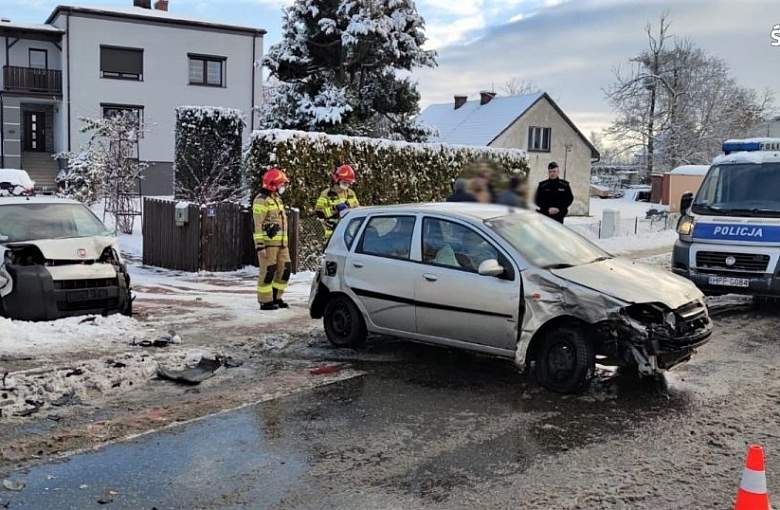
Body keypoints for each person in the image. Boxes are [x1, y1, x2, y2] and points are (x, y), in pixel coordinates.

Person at [253, 168, 291, 311]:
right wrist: (260, 246)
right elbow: (257, 225)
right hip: (268, 245)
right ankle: (265, 301)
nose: (283, 187)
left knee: (285, 270)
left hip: (282, 244)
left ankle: (277, 297)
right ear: (273, 184)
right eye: (281, 184)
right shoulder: (261, 200)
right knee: (268, 272)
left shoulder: (276, 199)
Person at [315, 164, 360, 241]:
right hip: (331, 234)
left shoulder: (350, 193)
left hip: (348, 233)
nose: (346, 186)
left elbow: (357, 208)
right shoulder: (326, 194)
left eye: (349, 183)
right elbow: (320, 213)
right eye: (344, 183)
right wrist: (335, 209)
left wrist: (348, 205)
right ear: (337, 180)